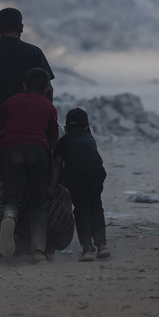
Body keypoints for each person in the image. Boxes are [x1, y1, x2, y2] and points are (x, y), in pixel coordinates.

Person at [0, 68, 60, 263]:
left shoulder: (11, 101)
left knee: (12, 196)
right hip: (38, 151)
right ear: (46, 90)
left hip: (12, 149)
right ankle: (38, 250)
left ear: (25, 86)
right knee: (38, 202)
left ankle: (10, 215)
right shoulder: (49, 106)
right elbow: (54, 142)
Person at [54, 108, 108, 262]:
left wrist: (52, 186)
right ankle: (102, 245)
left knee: (81, 209)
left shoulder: (63, 141)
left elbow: (58, 163)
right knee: (96, 205)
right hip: (97, 171)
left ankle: (88, 250)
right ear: (86, 127)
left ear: (65, 129)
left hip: (75, 173)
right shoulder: (90, 137)